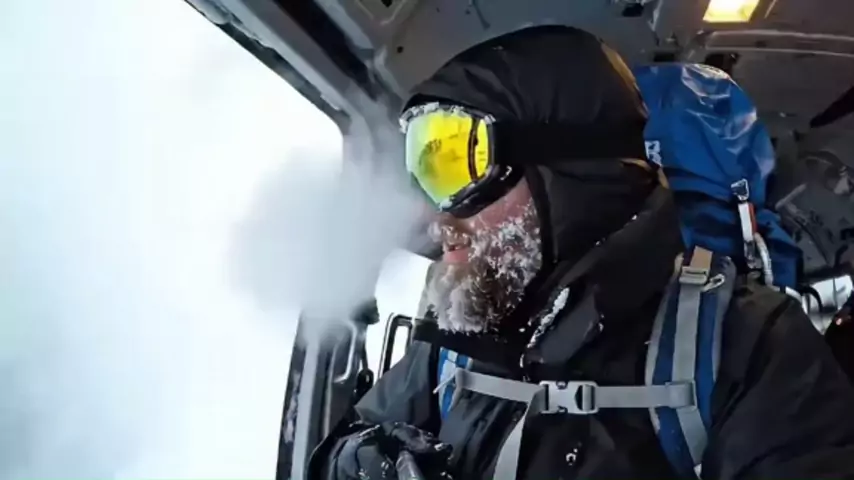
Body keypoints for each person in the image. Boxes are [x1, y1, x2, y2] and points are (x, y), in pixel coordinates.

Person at [308, 25, 854, 479]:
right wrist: (364, 460)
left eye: (459, 165)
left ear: (568, 177)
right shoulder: (457, 340)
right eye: (425, 173)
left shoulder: (747, 345)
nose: (436, 216)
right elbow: (351, 442)